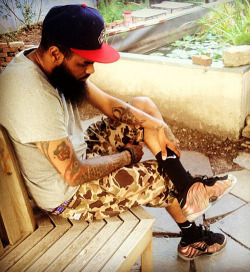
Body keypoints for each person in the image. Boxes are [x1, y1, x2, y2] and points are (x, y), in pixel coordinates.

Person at [0, 4, 237, 261]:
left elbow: (109, 106)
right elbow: (73, 173)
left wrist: (158, 125)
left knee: (142, 107)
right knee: (157, 175)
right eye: (85, 63)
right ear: (56, 53)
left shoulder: (45, 61)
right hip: (67, 195)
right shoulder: (31, 94)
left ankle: (187, 187)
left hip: (77, 152)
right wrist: (127, 157)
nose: (91, 70)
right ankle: (192, 231)